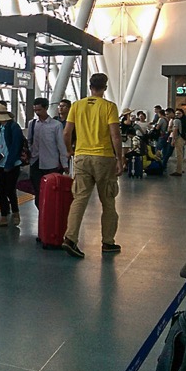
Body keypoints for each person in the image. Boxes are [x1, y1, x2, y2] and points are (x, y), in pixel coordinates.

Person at [62, 73, 123, 258]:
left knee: (79, 199)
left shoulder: (77, 105)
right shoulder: (109, 107)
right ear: (105, 86)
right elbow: (115, 136)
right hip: (104, 158)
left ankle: (70, 239)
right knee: (108, 202)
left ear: (90, 86)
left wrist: (69, 151)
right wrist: (119, 158)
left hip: (81, 157)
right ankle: (107, 242)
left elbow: (66, 133)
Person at [0, 103, 25, 227]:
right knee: (1, 191)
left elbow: (15, 147)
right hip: (0, 164)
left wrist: (9, 163)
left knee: (10, 190)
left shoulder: (14, 127)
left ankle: (15, 212)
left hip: (12, 164)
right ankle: (4, 215)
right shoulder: (0, 128)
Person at [27, 97, 69, 207]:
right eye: (35, 110)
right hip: (35, 162)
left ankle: (50, 213)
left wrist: (64, 164)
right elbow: (29, 141)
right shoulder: (32, 124)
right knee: (37, 191)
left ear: (46, 108)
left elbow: (61, 145)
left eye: (39, 110)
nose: (37, 113)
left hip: (50, 163)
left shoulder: (56, 125)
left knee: (51, 191)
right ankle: (42, 214)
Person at [169, 108, 186, 176]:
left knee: (178, 154)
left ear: (182, 114)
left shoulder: (176, 120)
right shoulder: (184, 120)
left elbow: (175, 130)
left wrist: (173, 140)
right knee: (180, 154)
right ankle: (180, 169)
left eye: (179, 113)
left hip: (178, 138)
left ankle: (178, 170)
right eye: (176, 113)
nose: (177, 115)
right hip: (183, 138)